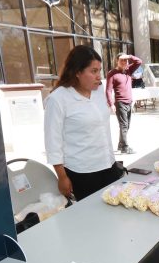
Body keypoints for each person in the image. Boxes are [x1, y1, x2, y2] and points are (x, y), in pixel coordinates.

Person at [45, 45, 123, 201]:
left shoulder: (98, 91)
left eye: (99, 71)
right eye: (93, 71)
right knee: (92, 221)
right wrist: (62, 177)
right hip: (82, 173)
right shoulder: (58, 99)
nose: (98, 76)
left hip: (108, 165)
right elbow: (53, 142)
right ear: (77, 72)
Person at [106, 52, 142, 154]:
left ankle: (121, 145)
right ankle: (125, 147)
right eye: (122, 60)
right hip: (120, 102)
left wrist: (129, 56)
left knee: (127, 125)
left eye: (126, 60)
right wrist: (111, 104)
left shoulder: (128, 70)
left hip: (129, 102)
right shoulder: (112, 73)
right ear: (117, 61)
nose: (124, 62)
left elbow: (139, 61)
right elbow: (108, 90)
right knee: (124, 125)